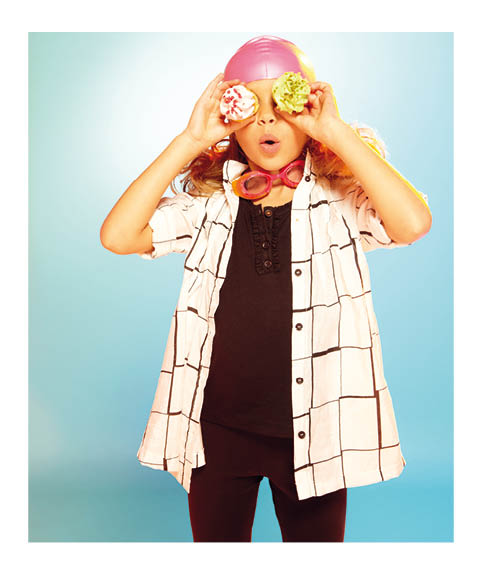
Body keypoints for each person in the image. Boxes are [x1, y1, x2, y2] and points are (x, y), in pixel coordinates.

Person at [100, 36, 432, 542]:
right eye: (251, 107)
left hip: (313, 430)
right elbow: (118, 236)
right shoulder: (211, 204)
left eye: (283, 105)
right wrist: (190, 138)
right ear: (233, 121)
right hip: (216, 431)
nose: (268, 121)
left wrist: (335, 131)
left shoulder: (340, 201)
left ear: (308, 113)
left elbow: (412, 224)